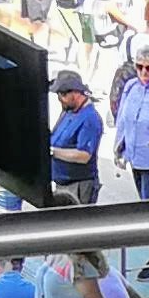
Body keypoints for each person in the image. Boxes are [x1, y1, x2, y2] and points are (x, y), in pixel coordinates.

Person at [111, 37, 149, 200]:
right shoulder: (131, 86)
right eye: (139, 67)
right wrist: (118, 147)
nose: (143, 72)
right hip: (134, 157)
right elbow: (123, 120)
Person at [46, 71, 102, 204]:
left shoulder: (90, 118)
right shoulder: (67, 111)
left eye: (63, 94)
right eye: (59, 94)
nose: (60, 98)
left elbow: (84, 155)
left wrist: (53, 152)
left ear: (76, 93)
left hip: (78, 186)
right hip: (61, 183)